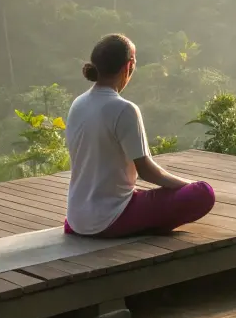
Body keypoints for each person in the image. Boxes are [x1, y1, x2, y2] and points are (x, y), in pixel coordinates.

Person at [63, 34, 215, 237]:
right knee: (204, 193)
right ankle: (148, 223)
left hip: (76, 219)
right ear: (129, 66)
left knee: (146, 197)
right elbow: (147, 172)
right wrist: (191, 186)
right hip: (109, 220)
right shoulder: (124, 109)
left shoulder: (78, 103)